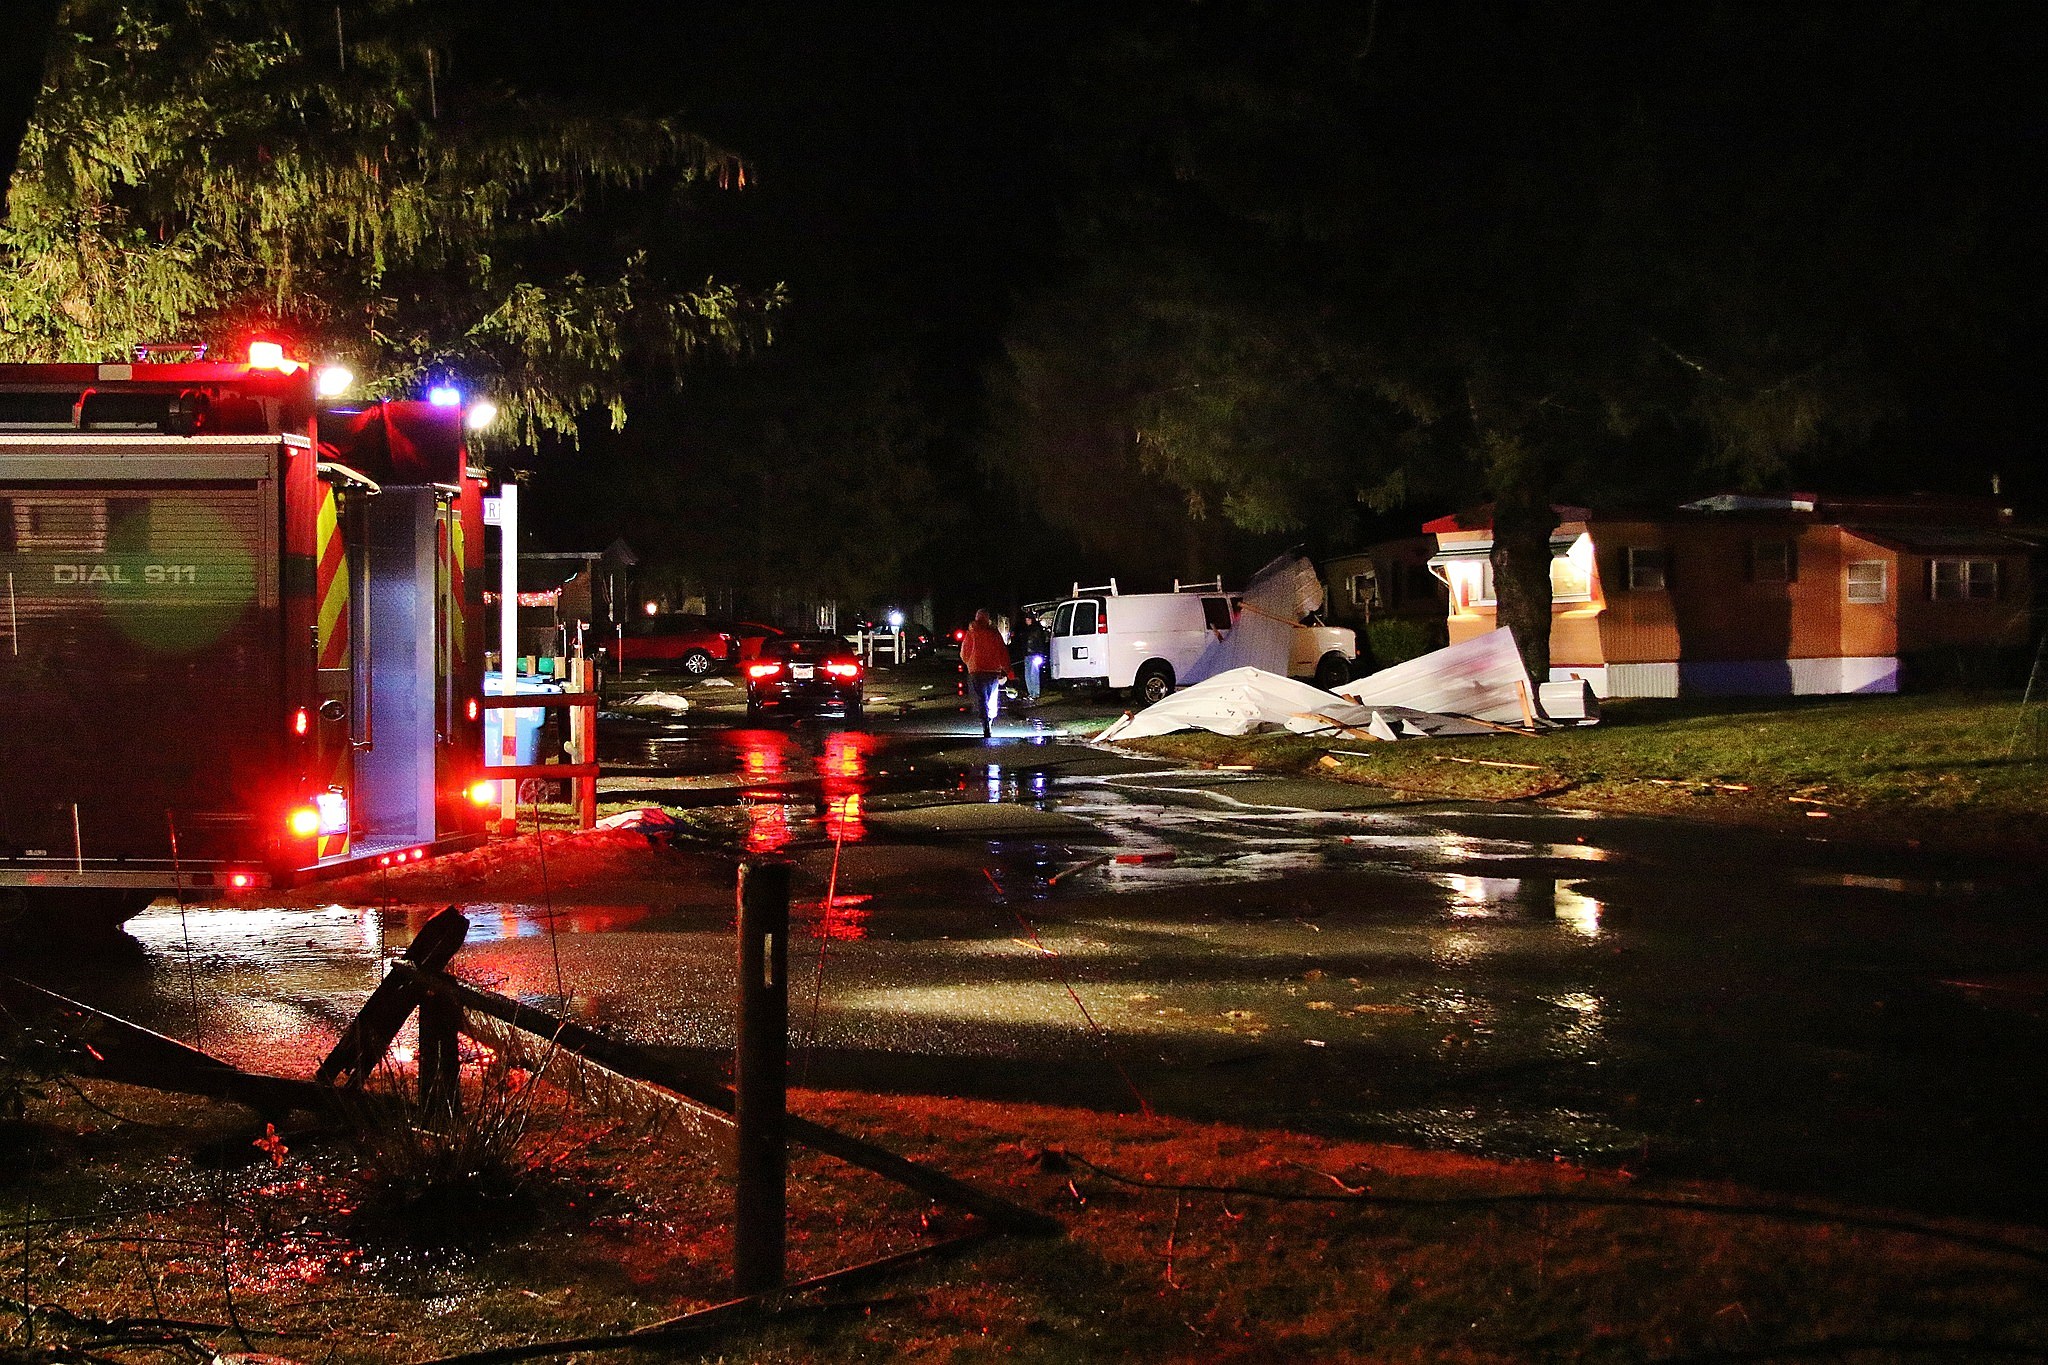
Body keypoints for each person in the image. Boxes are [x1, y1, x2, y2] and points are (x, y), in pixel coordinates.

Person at [959, 608, 1010, 737]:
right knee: (992, 696)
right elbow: (1002, 651)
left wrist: (970, 663)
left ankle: (985, 722)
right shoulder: (993, 633)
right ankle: (990, 720)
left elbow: (964, 652)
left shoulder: (971, 633)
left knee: (982, 698)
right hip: (992, 671)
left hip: (977, 671)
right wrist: (1006, 669)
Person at [1016, 610, 1050, 701]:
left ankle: (1035, 693)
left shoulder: (1035, 629)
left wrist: (1039, 653)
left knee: (1033, 674)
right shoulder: (1029, 629)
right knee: (1029, 675)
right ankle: (1032, 693)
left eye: (1028, 619)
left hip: (1033, 654)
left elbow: (1039, 642)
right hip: (1028, 654)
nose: (1027, 621)